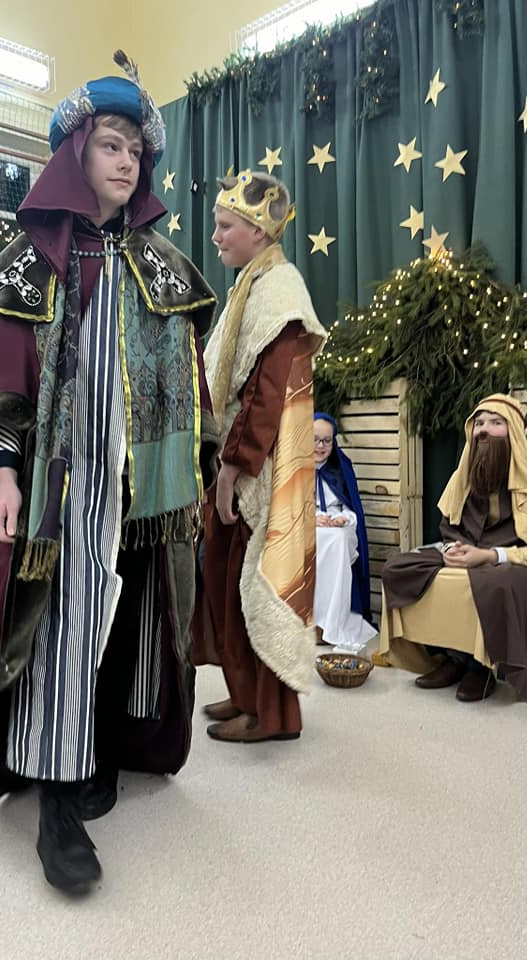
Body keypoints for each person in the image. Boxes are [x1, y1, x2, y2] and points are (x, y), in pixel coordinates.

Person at [0, 51, 218, 895]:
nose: (125, 161)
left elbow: (192, 382)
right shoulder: (36, 258)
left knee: (129, 620)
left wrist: (199, 468)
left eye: (135, 150)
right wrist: (4, 477)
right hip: (62, 488)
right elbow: (1, 381)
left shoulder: (161, 264)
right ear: (76, 152)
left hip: (144, 490)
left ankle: (103, 745)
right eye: (110, 144)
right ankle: (59, 802)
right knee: (62, 625)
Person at [194, 170, 326, 744]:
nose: (216, 237)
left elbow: (265, 393)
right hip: (239, 462)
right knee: (226, 585)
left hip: (256, 472)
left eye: (225, 226)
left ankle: (270, 715)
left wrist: (232, 468)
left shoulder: (279, 292)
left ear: (257, 229)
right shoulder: (251, 284)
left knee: (252, 584)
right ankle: (245, 693)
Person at [380, 394, 527, 703]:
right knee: (399, 568)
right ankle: (451, 657)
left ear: (515, 432)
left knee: (497, 583)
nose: (484, 430)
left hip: (518, 564)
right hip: (471, 552)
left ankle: (482, 667)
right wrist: (454, 549)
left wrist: (489, 556)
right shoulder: (462, 479)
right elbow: (450, 528)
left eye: (496, 422)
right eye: (479, 423)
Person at [313, 413, 376, 652]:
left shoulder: (341, 468)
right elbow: (286, 508)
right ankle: (312, 621)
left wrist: (344, 518)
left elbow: (351, 508)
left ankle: (333, 622)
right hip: (306, 526)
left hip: (337, 527)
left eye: (326, 441)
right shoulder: (294, 468)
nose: (320, 446)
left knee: (338, 540)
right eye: (315, 439)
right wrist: (311, 519)